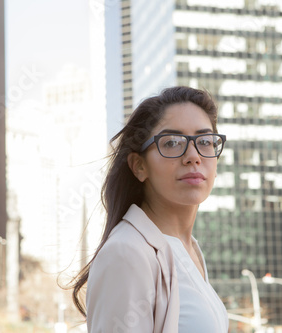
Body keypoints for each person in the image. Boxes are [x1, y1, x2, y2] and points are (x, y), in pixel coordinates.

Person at [71, 86, 229, 332]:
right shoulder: (127, 252)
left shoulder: (189, 249)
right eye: (172, 142)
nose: (193, 156)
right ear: (139, 166)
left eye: (205, 141)